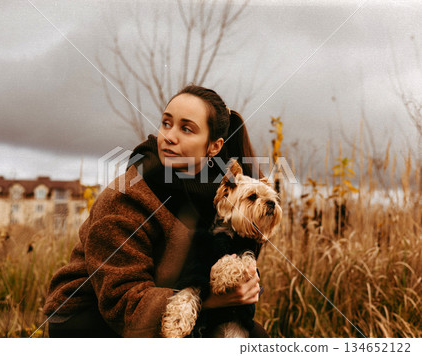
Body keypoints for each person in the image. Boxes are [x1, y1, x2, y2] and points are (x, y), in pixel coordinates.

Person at [43, 84, 269, 338]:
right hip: (87, 316)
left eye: (186, 129)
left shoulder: (224, 196)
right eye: (166, 123)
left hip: (176, 304)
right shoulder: (128, 194)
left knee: (256, 338)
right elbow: (119, 301)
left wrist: (243, 285)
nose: (169, 136)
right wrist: (208, 301)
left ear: (214, 147)